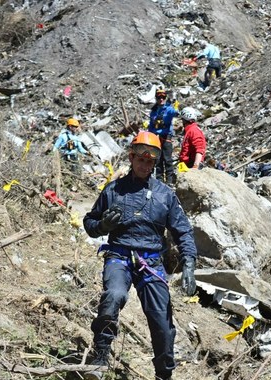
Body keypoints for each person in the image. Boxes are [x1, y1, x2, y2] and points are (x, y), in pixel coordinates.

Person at [82, 131, 197, 380]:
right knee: (113, 296)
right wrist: (102, 226)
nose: (144, 165)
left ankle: (163, 375)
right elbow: (89, 222)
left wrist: (189, 262)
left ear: (154, 163)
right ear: (131, 158)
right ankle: (100, 358)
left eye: (149, 161)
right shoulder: (113, 190)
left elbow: (183, 231)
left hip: (151, 262)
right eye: (140, 160)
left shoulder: (165, 195)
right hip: (119, 256)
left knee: (162, 324)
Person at [148, 88, 179, 184]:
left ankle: (169, 181)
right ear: (156, 98)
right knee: (157, 160)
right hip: (156, 138)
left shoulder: (169, 109)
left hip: (166, 138)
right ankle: (160, 181)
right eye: (159, 97)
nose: (161, 99)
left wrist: (176, 105)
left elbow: (176, 113)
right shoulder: (153, 111)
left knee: (167, 159)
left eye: (163, 97)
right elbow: (151, 126)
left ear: (165, 98)